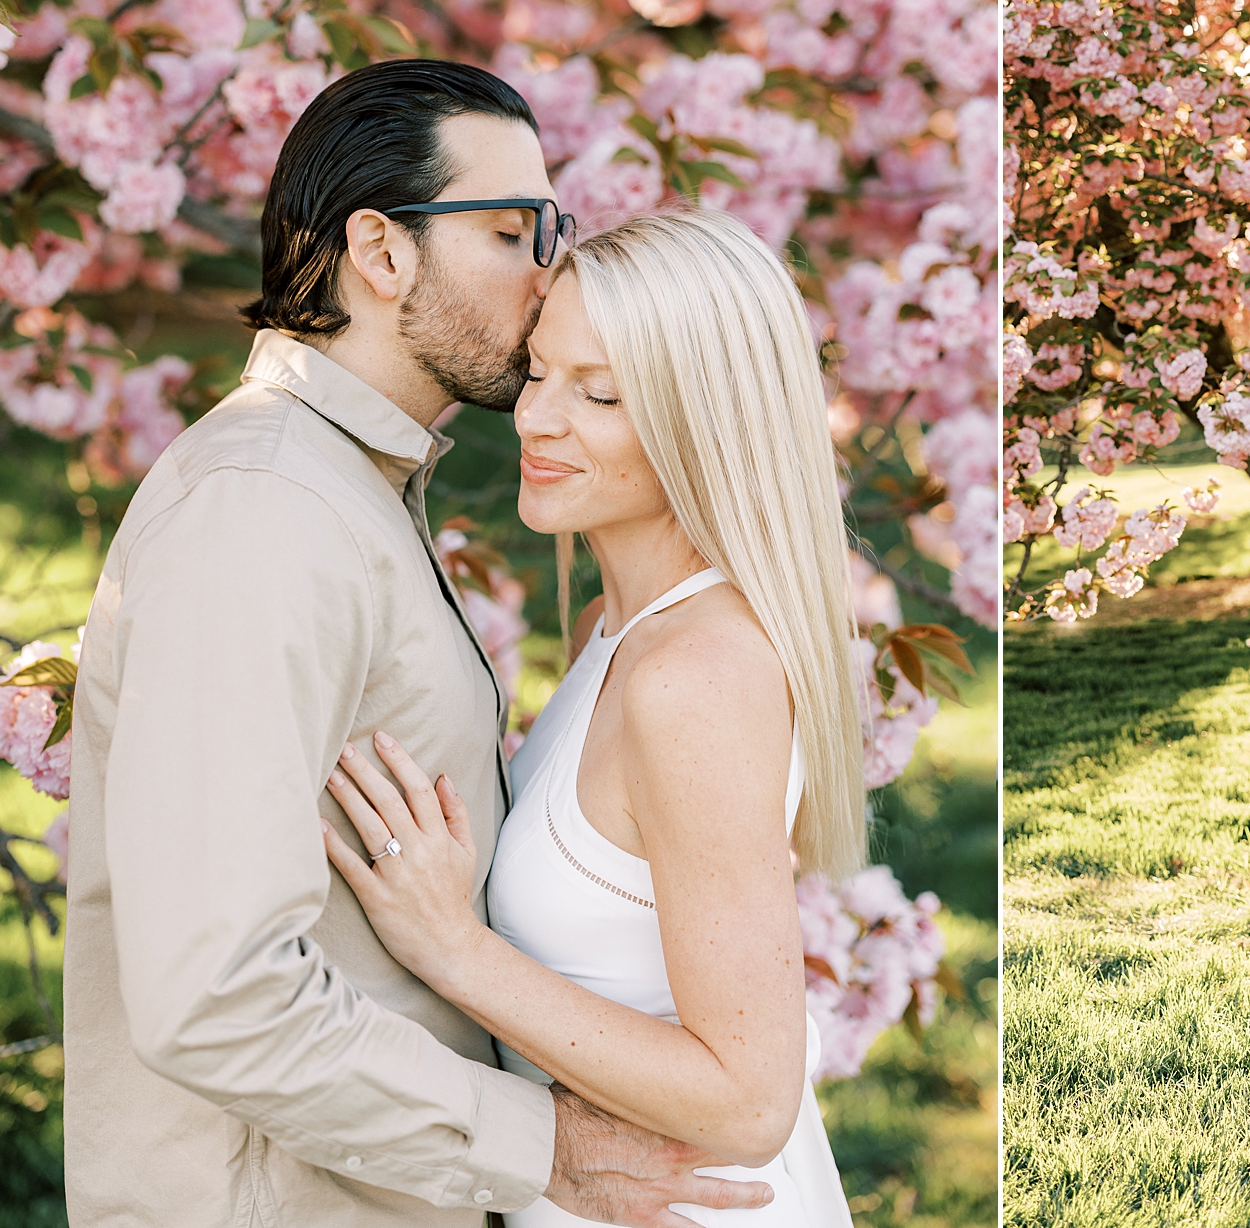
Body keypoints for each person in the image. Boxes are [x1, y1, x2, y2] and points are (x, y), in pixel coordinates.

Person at [65, 60, 774, 1226]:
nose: (548, 274)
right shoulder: (264, 511)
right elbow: (215, 991)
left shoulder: (350, 488)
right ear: (383, 253)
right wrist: (541, 1145)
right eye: (510, 231)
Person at [319, 209, 865, 1227]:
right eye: (537, 372)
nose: (535, 419)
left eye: (600, 392)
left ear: (706, 422)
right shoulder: (614, 632)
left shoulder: (694, 675)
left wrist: (452, 945)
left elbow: (748, 1101)